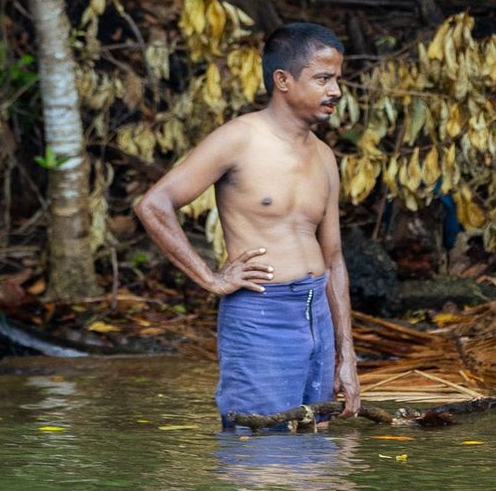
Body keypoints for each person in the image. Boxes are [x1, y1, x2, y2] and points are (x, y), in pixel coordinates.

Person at [134, 21, 361, 428]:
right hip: (262, 313)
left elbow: (335, 260)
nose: (336, 92)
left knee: (317, 445)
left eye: (337, 79)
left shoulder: (325, 157)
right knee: (259, 445)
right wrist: (210, 279)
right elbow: (155, 204)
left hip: (317, 316)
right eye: (323, 79)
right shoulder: (239, 139)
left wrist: (347, 357)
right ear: (283, 80)